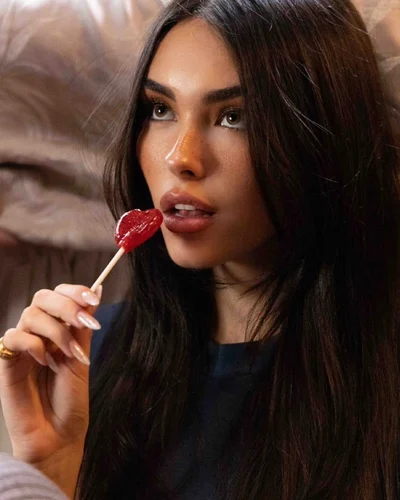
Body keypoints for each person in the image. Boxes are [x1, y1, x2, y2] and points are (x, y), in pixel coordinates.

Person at [0, 0, 399, 498]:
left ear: (321, 137)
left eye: (234, 117)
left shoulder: (382, 382)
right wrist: (51, 469)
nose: (179, 157)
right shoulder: (87, 358)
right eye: (160, 109)